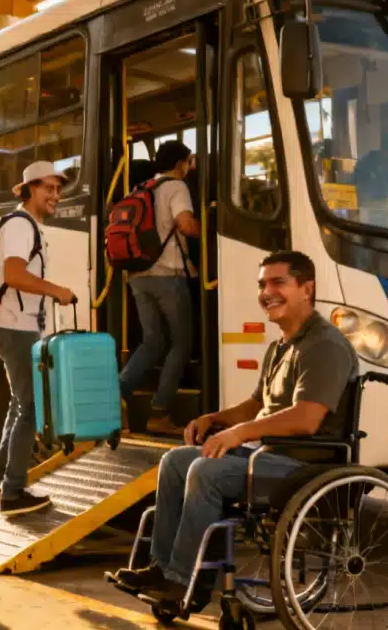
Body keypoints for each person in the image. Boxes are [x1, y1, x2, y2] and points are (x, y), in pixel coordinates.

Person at [110, 251, 358, 602]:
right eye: (262, 284)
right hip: (271, 456)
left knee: (206, 472)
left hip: (306, 466)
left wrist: (240, 433)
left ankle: (185, 581)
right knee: (176, 461)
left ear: (307, 288)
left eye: (278, 282)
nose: (267, 292)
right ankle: (161, 568)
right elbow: (256, 405)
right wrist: (215, 419)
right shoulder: (280, 346)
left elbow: (307, 418)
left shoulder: (325, 345)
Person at [0, 160, 77, 517]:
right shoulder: (20, 225)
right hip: (15, 326)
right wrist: (57, 291)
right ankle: (13, 492)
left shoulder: (27, 224)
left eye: (58, 188)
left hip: (17, 325)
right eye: (47, 188)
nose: (55, 195)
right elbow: (14, 274)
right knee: (31, 407)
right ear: (29, 189)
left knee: (20, 402)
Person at [120, 140, 201, 433]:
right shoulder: (176, 187)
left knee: (153, 342)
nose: (191, 167)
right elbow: (186, 225)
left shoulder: (141, 189)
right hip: (169, 275)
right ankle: (160, 413)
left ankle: (117, 394)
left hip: (139, 276)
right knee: (181, 343)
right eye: (189, 161)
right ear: (180, 163)